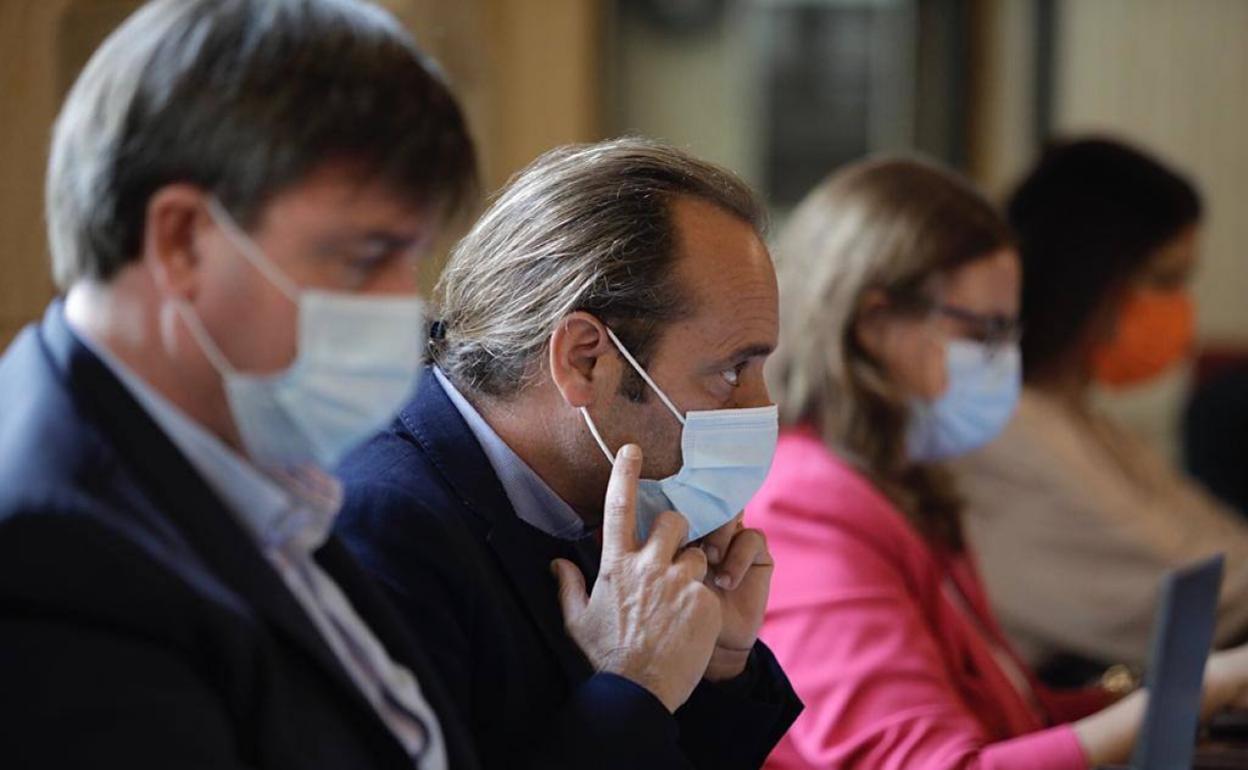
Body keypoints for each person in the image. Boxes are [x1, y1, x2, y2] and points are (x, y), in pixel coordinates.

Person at [0, 1, 480, 767]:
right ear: (183, 239)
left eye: (411, 259)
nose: (406, 306)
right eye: (363, 259)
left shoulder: (245, 460)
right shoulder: (47, 562)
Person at [746, 155, 1248, 770]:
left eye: (1010, 333)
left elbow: (1010, 713)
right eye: (986, 333)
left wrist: (1180, 701)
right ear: (876, 325)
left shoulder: (898, 480)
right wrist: (1185, 697)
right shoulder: (808, 502)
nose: (1005, 359)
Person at [335, 137, 803, 770]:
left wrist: (715, 666)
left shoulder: (603, 492)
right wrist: (632, 685)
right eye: (733, 370)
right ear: (585, 358)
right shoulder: (380, 526)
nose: (759, 404)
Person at [952, 137, 1248, 680]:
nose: (1181, 310)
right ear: (1088, 275)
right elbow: (1193, 595)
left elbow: (1217, 545)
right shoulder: (1003, 429)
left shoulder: (1073, 414)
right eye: (1164, 280)